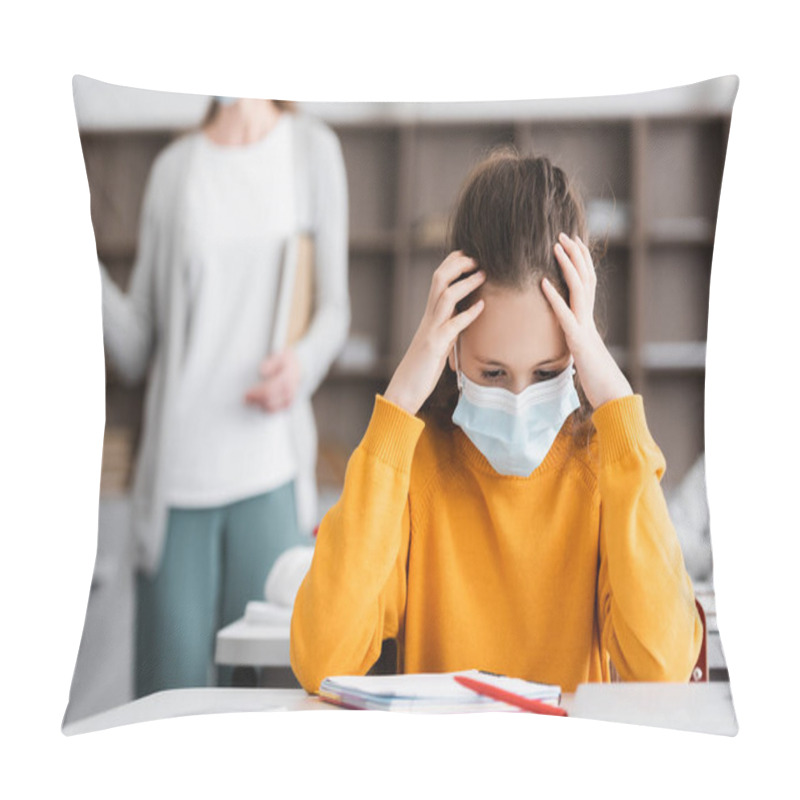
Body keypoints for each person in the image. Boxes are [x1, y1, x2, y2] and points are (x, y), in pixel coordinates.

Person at [290, 148, 702, 695]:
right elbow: (322, 658)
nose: (517, 399)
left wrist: (618, 407)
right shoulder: (412, 472)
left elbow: (665, 667)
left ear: (579, 355)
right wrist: (396, 408)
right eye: (492, 372)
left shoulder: (606, 469)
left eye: (546, 371)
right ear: (452, 349)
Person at [99, 96, 350, 696]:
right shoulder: (175, 169)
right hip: (177, 488)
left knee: (268, 705)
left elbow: (335, 310)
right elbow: (134, 345)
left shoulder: (313, 150)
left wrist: (302, 366)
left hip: (271, 479)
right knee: (168, 711)